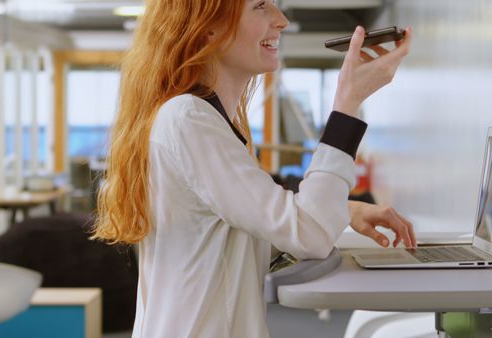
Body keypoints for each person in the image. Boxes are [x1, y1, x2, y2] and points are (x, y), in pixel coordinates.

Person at [93, 0, 416, 337]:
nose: (281, 21)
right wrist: (346, 106)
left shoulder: (203, 118)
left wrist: (344, 209)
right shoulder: (188, 118)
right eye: (261, 6)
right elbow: (311, 235)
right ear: (207, 27)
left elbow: (245, 228)